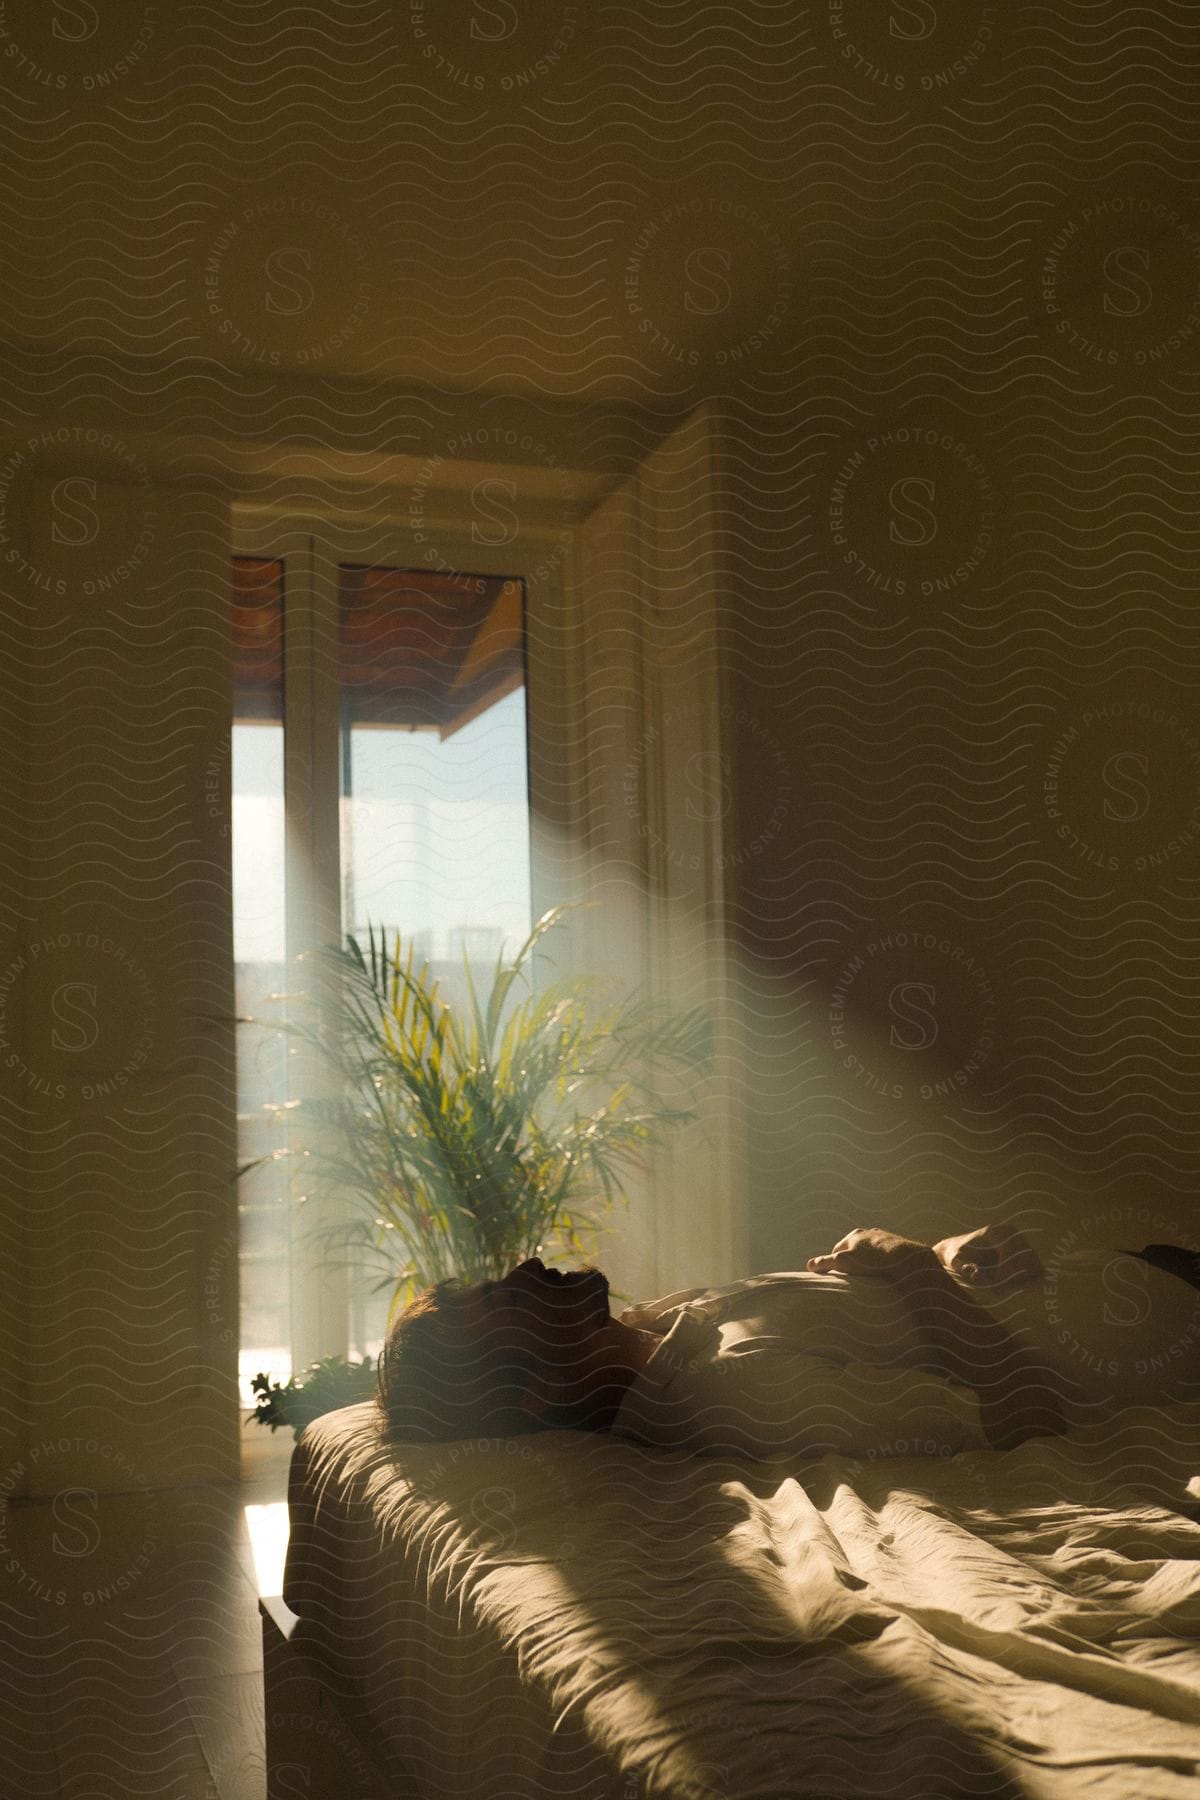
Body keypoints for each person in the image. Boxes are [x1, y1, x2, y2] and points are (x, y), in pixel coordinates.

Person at [381, 1224, 1172, 1459]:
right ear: (539, 1392)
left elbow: (907, 1323)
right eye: (504, 1298)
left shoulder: (659, 1325)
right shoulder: (739, 1393)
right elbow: (1025, 1414)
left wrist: (943, 1256)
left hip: (1131, 1271)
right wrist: (901, 1258)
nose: (524, 1266)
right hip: (1167, 1321)